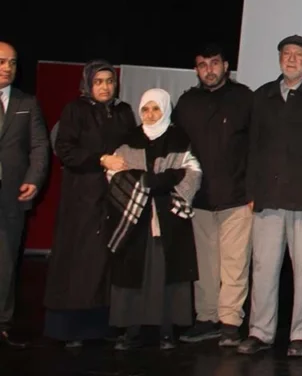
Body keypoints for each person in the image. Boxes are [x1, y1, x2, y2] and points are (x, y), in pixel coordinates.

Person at [238, 35, 302, 357]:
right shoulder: (262, 95)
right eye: (286, 54)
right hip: (267, 195)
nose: (291, 59)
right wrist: (251, 190)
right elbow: (252, 147)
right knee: (263, 267)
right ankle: (259, 331)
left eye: (298, 54)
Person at [45, 60, 136, 348]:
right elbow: (65, 148)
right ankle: (72, 329)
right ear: (88, 84)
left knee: (108, 261)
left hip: (115, 197)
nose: (105, 87)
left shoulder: (123, 111)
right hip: (82, 197)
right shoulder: (75, 110)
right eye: (98, 82)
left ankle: (105, 326)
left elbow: (133, 146)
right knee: (80, 262)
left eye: (109, 81)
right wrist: (100, 159)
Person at [106, 88, 202, 350]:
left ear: (166, 110)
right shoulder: (129, 139)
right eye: (145, 109)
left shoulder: (179, 138)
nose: (150, 114)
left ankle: (166, 330)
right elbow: (114, 174)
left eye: (156, 109)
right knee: (133, 272)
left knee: (165, 272)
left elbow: (192, 172)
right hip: (134, 217)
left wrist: (159, 182)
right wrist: (146, 182)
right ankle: (131, 329)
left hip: (167, 216)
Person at [173, 44, 254, 347]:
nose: (209, 70)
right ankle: (206, 319)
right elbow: (176, 148)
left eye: (214, 63)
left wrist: (254, 190)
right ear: (196, 69)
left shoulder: (245, 98)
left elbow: (258, 146)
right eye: (202, 64)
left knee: (235, 264)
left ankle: (230, 322)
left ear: (226, 66)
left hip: (237, 196)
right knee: (204, 265)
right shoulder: (186, 102)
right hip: (199, 197)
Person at [0, 41, 49, 348]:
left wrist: (33, 179)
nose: (8, 68)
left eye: (13, 62)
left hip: (11, 195)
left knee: (5, 262)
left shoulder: (26, 103)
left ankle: (2, 323)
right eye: (2, 61)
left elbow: (40, 146)